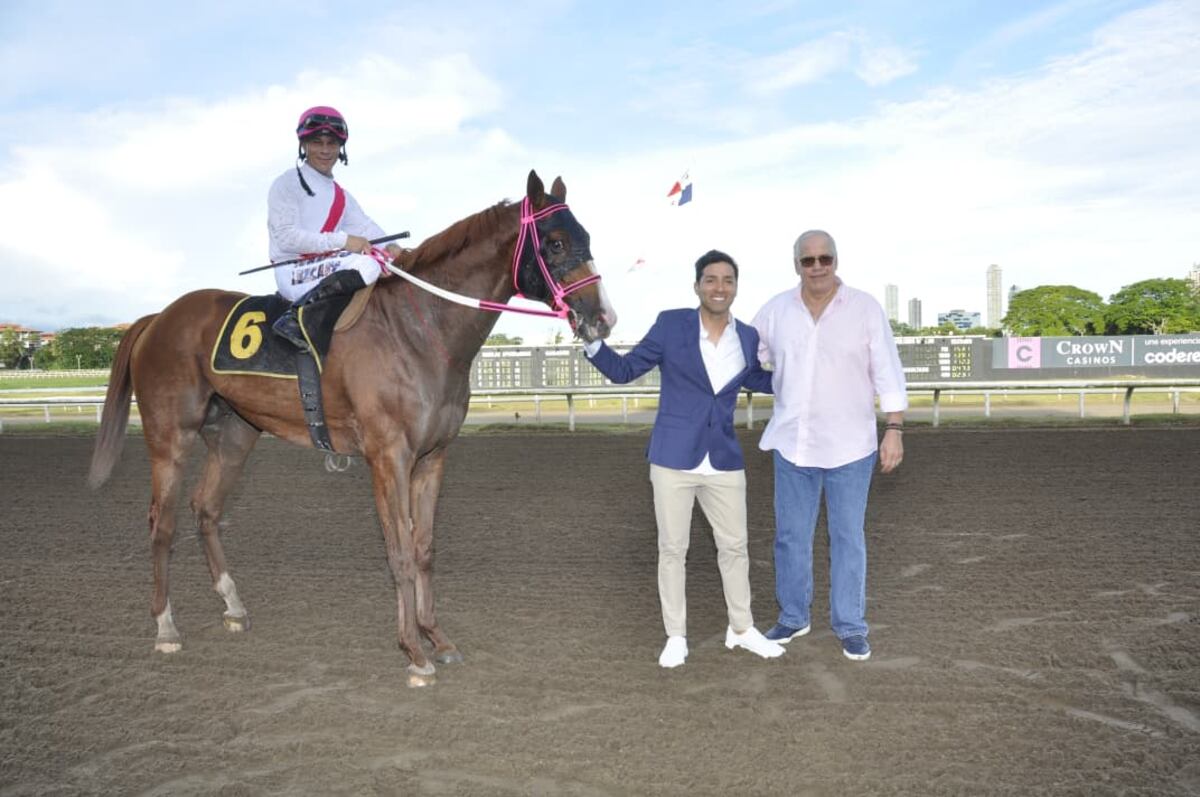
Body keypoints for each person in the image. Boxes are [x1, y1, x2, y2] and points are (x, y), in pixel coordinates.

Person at [584, 250, 785, 668]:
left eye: (727, 280)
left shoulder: (747, 336)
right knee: (673, 550)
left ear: (735, 287)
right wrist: (592, 343)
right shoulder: (671, 324)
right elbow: (625, 371)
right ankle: (676, 635)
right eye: (711, 280)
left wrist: (801, 373)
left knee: (736, 548)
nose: (719, 288)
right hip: (673, 458)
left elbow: (757, 379)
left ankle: (742, 629)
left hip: (725, 459)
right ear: (697, 286)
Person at [752, 230, 906, 662]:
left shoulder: (865, 308)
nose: (817, 267)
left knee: (847, 538)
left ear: (836, 260)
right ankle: (793, 615)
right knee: (790, 537)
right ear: (796, 264)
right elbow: (745, 351)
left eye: (825, 258)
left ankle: (851, 625)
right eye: (808, 260)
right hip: (792, 445)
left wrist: (893, 428)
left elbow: (888, 372)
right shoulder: (776, 310)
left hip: (851, 447)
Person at [267, 105, 403, 350]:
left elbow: (367, 228)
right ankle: (295, 319)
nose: (325, 150)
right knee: (367, 263)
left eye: (332, 144)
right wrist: (342, 241)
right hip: (292, 271)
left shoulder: (341, 195)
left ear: (340, 148)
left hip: (324, 268)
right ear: (304, 145)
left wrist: (392, 247)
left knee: (391, 266)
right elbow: (286, 238)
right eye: (317, 142)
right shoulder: (286, 183)